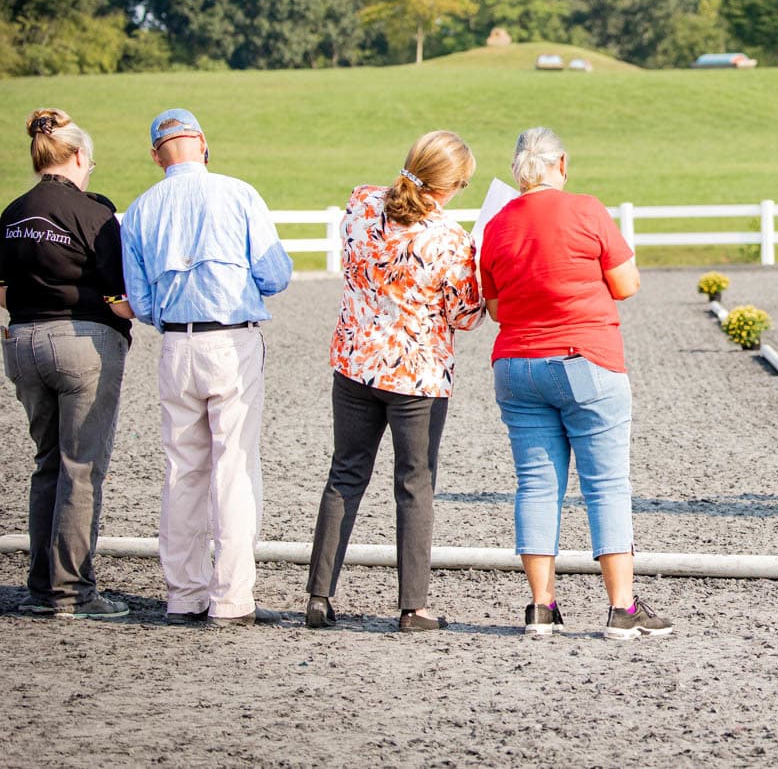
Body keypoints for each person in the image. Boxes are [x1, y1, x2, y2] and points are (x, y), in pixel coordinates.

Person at [478, 127, 672, 640]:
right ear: (561, 163)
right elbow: (626, 285)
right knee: (605, 485)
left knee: (536, 485)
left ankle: (541, 607)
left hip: (516, 366)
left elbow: (494, 308)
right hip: (585, 360)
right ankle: (622, 608)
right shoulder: (587, 210)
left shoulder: (496, 224)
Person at [305, 131, 485, 632]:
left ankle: (318, 595)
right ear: (450, 186)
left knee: (345, 475)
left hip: (355, 363)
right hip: (416, 377)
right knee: (414, 484)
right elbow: (466, 316)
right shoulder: (450, 238)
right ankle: (412, 606)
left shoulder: (361, 203)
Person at [121, 108, 293, 625]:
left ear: (156, 156)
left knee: (183, 470)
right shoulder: (238, 193)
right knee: (234, 468)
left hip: (177, 344)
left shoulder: (141, 210)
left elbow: (140, 301)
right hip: (232, 340)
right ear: (202, 142)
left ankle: (184, 593)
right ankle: (232, 597)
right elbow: (276, 274)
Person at [1, 109, 135, 620]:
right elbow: (119, 299)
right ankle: (72, 590)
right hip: (81, 343)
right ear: (79, 156)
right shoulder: (93, 214)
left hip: (22, 342)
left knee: (47, 465)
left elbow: (2, 290)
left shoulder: (13, 212)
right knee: (82, 468)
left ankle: (41, 586)